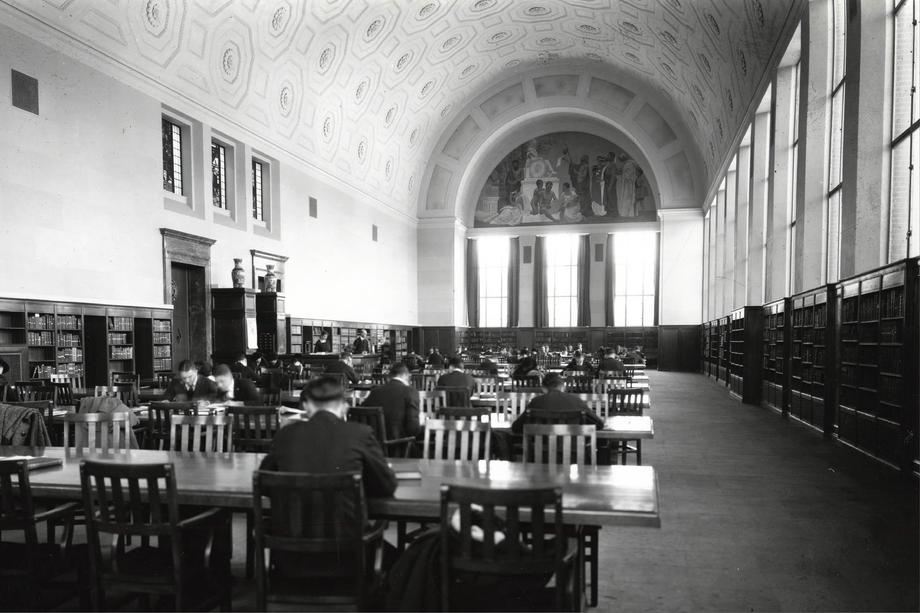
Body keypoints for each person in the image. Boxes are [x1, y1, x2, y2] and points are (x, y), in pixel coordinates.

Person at [259, 376, 397, 578]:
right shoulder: (360, 433)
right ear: (344, 407)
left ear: (306, 406)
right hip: (350, 558)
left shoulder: (285, 435)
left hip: (290, 559)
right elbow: (387, 486)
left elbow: (264, 484)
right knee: (400, 559)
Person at [510, 373, 604, 435]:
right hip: (573, 454)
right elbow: (599, 424)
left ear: (543, 388)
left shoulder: (536, 402)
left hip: (541, 456)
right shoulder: (576, 401)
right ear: (563, 387)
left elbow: (516, 428)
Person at [362, 363, 421, 441]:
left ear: (390, 377)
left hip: (374, 446)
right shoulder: (411, 392)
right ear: (406, 376)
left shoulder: (375, 392)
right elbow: (413, 430)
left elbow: (361, 416)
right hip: (400, 446)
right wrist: (421, 420)